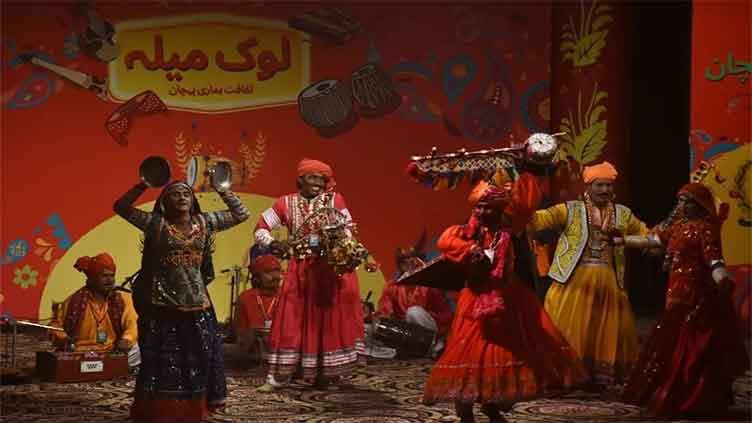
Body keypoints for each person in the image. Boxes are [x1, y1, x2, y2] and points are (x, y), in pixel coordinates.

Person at [423, 179, 587, 423]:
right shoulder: (467, 232)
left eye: (487, 208)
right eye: (478, 207)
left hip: (507, 298)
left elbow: (526, 206)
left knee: (501, 354)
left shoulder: (511, 231)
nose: (481, 212)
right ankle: (465, 406)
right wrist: (470, 250)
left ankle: (491, 404)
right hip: (476, 300)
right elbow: (445, 242)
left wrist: (528, 172)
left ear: (499, 210)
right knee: (470, 353)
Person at [114, 178, 249, 422]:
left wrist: (222, 189)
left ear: (193, 199)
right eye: (175, 194)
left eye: (186, 193)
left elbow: (241, 214)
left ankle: (193, 410)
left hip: (197, 305)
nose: (182, 197)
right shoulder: (155, 225)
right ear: (165, 202)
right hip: (162, 306)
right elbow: (121, 207)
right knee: (161, 363)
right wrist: (144, 183)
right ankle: (159, 411)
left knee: (197, 360)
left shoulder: (205, 222)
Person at [620, 183, 748, 418]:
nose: (683, 205)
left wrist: (721, 277)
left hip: (696, 294)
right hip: (675, 291)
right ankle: (668, 393)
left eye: (688, 201)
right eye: (680, 201)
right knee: (669, 341)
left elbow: (713, 258)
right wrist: (622, 241)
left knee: (689, 344)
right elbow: (653, 241)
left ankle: (692, 397)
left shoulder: (705, 229)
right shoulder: (678, 228)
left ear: (700, 205)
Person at [529, 161, 648, 386]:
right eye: (599, 185)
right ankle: (566, 375)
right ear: (588, 186)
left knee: (605, 331)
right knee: (566, 329)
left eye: (609, 186)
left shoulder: (623, 214)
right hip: (573, 281)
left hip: (608, 281)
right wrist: (520, 206)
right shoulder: (570, 210)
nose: (605, 190)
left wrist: (631, 241)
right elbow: (539, 220)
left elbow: (648, 235)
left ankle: (597, 376)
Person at [253, 158, 365, 388]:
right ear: (300, 180)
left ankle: (325, 372)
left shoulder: (335, 199)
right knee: (291, 318)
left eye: (322, 179)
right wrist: (274, 244)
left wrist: (342, 245)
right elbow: (261, 227)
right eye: (312, 178)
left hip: (328, 271)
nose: (318, 183)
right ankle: (279, 376)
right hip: (299, 270)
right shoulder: (285, 203)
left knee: (327, 321)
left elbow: (348, 228)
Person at [50, 253, 140, 368]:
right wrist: (64, 340)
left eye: (112, 275)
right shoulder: (73, 301)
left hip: (113, 351)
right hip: (80, 353)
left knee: (143, 348)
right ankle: (111, 367)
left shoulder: (123, 299)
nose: (110, 280)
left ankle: (108, 366)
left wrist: (126, 339)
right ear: (92, 279)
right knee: (61, 358)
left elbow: (132, 324)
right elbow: (55, 326)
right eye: (104, 276)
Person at [375, 247, 453, 357]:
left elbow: (446, 315)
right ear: (400, 266)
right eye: (404, 263)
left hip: (430, 329)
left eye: (412, 262)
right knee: (371, 327)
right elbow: (384, 311)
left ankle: (434, 347)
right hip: (405, 331)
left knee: (413, 312)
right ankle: (410, 349)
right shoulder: (392, 286)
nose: (409, 266)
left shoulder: (429, 284)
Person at [233, 254, 283, 360]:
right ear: (256, 278)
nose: (276, 276)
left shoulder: (287, 296)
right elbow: (240, 336)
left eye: (277, 271)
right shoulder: (245, 298)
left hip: (282, 353)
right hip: (253, 355)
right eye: (268, 272)